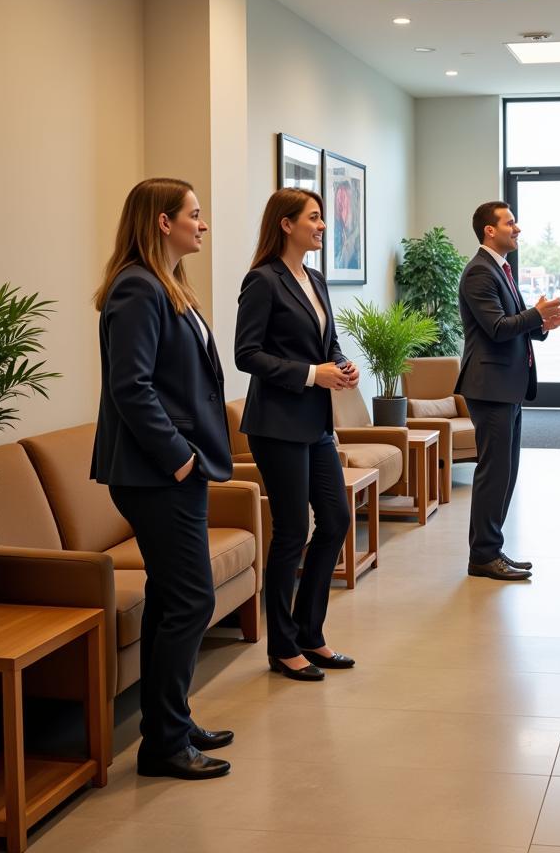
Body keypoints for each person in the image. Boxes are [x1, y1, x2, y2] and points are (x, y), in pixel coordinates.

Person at [91, 178, 234, 780]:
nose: (202, 224)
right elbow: (132, 387)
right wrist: (180, 457)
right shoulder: (136, 288)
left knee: (171, 598)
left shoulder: (168, 283)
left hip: (172, 468)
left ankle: (168, 721)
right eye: (194, 215)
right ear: (161, 222)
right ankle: (165, 745)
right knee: (192, 598)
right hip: (155, 473)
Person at [234, 188, 359, 680]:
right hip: (277, 425)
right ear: (286, 224)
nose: (322, 225)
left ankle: (311, 634)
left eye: (323, 218)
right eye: (314, 217)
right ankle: (282, 647)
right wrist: (313, 374)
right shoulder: (262, 281)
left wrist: (341, 366)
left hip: (315, 423)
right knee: (292, 531)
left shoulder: (316, 279)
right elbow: (247, 354)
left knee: (334, 520)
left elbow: (328, 341)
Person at [456, 201, 560, 581]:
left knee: (505, 472)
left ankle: (491, 548)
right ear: (489, 231)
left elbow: (513, 324)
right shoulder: (479, 272)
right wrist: (537, 313)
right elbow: (497, 328)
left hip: (506, 386)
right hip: (490, 387)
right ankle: (482, 555)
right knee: (494, 472)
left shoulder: (499, 269)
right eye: (510, 223)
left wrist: (546, 321)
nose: (517, 229)